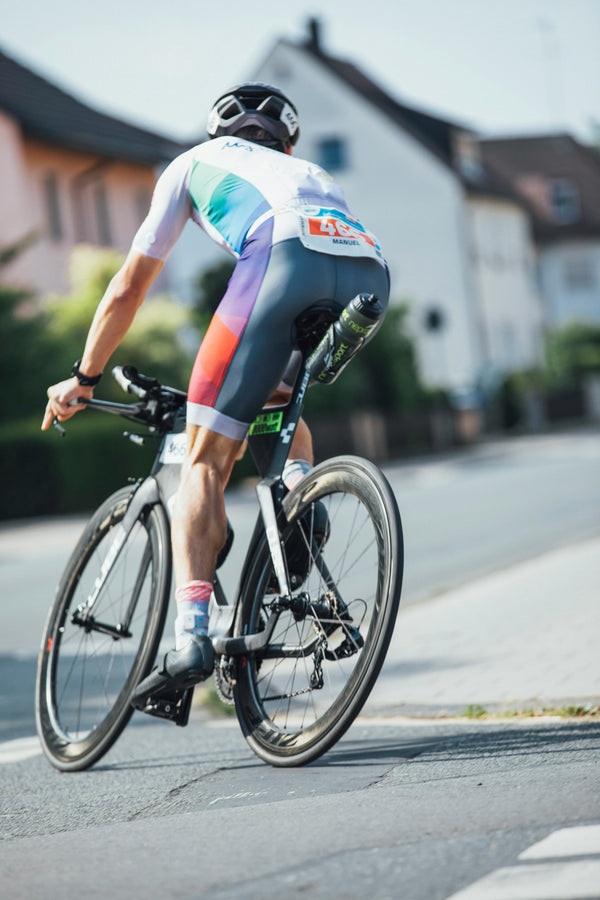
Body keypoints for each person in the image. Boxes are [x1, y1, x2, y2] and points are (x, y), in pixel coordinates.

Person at [42, 83, 390, 706]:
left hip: (283, 257)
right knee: (279, 406)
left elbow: (128, 287)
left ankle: (192, 637)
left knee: (204, 458)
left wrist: (85, 377)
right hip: (366, 268)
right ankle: (301, 496)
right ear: (284, 143)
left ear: (220, 137)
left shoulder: (190, 165)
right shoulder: (307, 167)